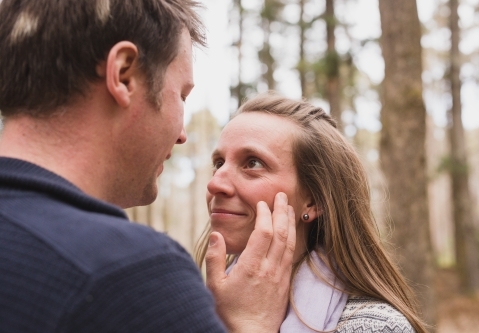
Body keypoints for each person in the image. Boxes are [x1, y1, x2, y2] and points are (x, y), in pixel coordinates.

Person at [0, 1, 296, 332]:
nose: (182, 135)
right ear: (124, 75)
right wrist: (251, 324)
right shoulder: (130, 277)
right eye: (182, 96)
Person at [196, 92, 428, 333]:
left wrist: (251, 327)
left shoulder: (374, 326)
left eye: (253, 163)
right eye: (219, 163)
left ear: (313, 201)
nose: (215, 184)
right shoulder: (190, 311)